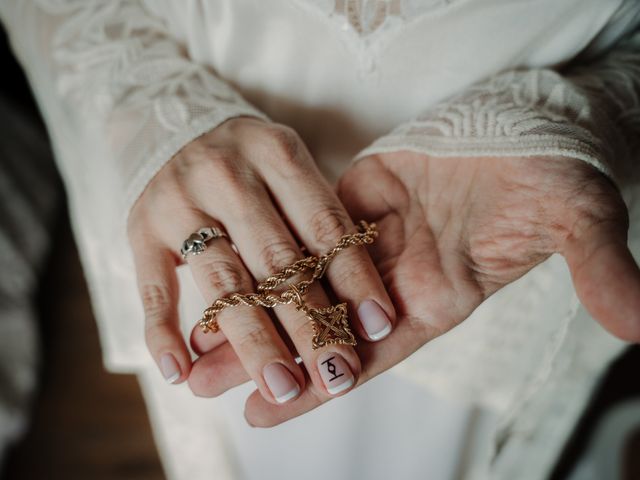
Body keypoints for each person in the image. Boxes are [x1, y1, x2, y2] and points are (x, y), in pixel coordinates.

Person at [1, 0, 639, 478]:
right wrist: (151, 105)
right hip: (202, 211)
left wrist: (580, 117)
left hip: (473, 241)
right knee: (245, 396)